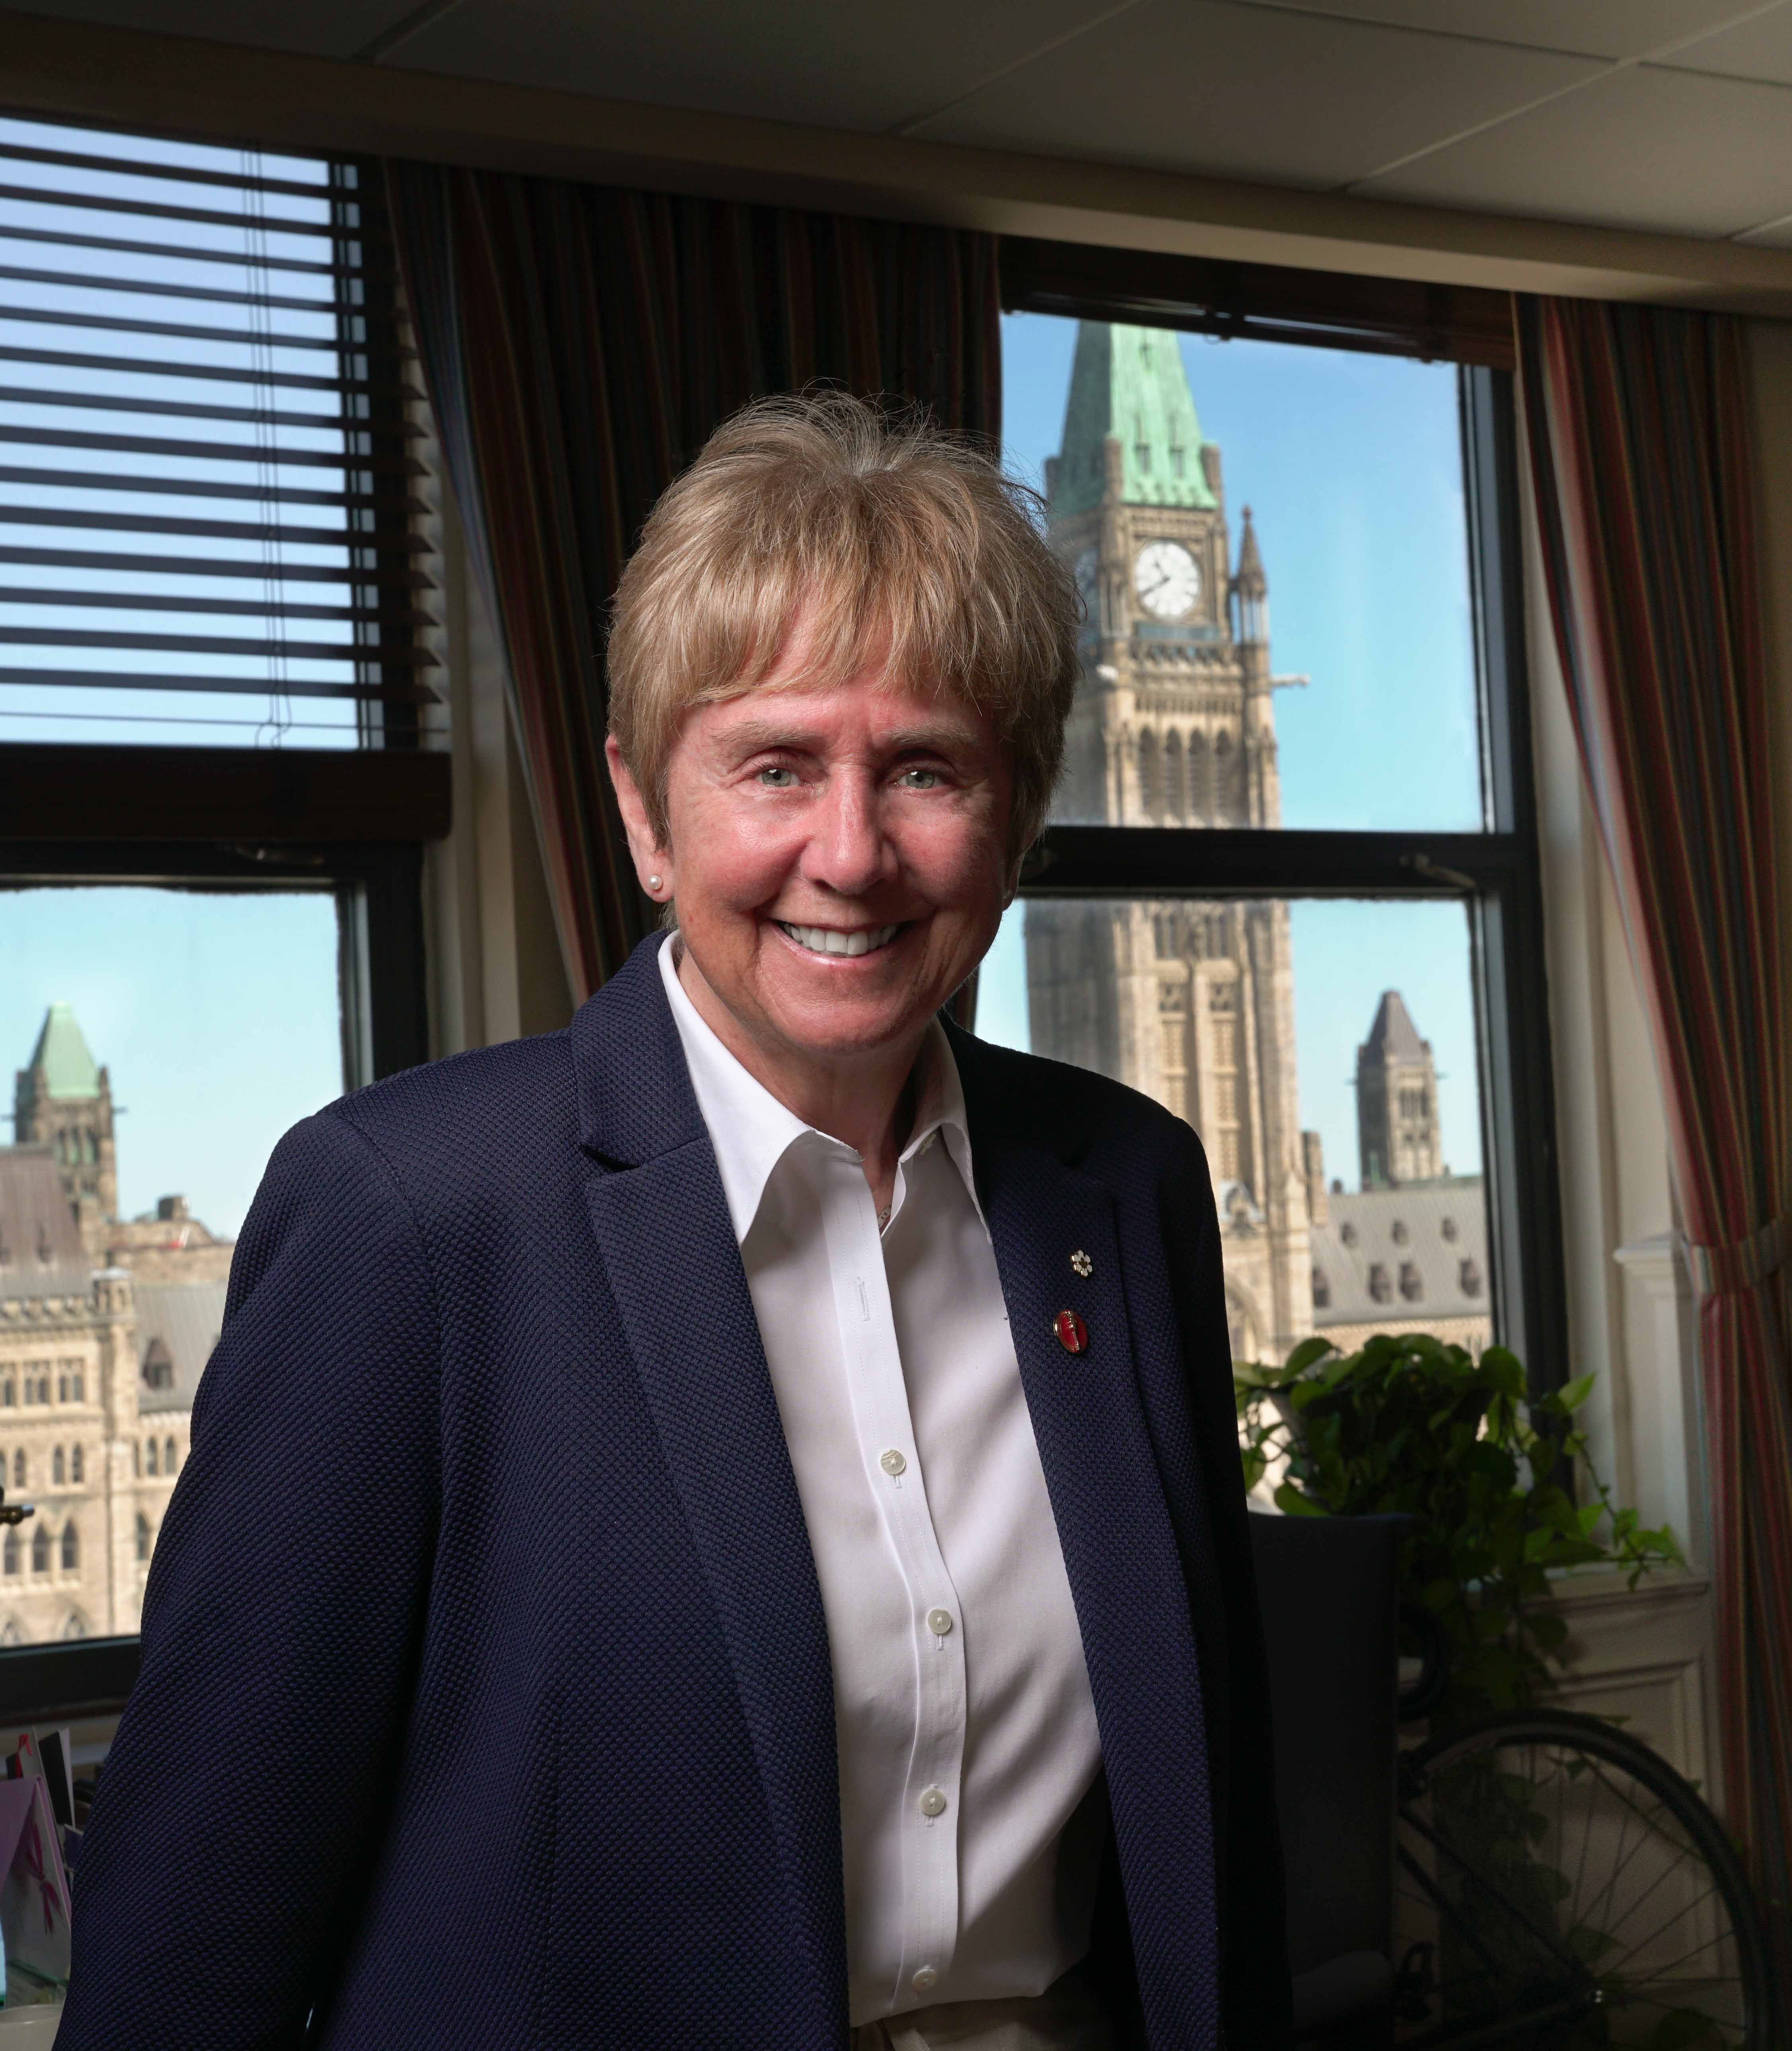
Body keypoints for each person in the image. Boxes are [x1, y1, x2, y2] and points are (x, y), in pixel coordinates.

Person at [57, 395, 1288, 2051]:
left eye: (925, 768)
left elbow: (1205, 1838)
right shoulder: (413, 1220)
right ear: (644, 813)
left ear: (1015, 818)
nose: (847, 855)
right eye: (774, 766)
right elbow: (184, 1951)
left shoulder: (1121, 1196)